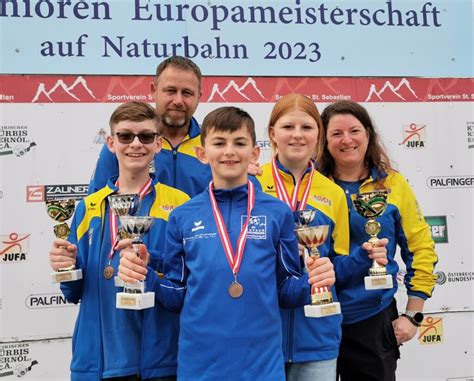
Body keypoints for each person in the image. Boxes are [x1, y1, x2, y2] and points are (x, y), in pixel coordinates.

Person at [118, 106, 324, 381]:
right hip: (199, 367)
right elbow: (175, 295)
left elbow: (287, 291)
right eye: (219, 143)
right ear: (202, 154)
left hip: (261, 367)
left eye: (239, 143)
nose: (229, 151)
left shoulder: (277, 213)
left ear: (254, 153)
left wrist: (313, 278)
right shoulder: (183, 216)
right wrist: (147, 278)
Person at [49, 101, 189, 381]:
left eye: (146, 136)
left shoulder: (180, 205)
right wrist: (67, 265)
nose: (135, 144)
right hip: (96, 360)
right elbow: (74, 291)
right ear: (111, 143)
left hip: (156, 363)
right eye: (126, 136)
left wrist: (151, 270)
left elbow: (183, 290)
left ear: (158, 144)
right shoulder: (88, 207)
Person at [254, 93, 387, 381]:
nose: (297, 135)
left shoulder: (333, 193)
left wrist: (364, 257)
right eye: (288, 127)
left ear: (319, 136)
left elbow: (334, 264)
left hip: (317, 337)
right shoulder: (252, 184)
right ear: (272, 134)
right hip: (259, 336)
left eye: (307, 127)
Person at [319, 100, 437, 381]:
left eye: (354, 131)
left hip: (372, 317)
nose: (346, 140)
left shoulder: (393, 185)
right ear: (323, 140)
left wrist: (413, 315)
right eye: (336, 133)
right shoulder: (312, 186)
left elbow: (420, 247)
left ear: (368, 134)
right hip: (315, 319)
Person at [89, 56, 211, 197]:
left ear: (199, 96)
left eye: (187, 93)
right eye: (170, 91)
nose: (178, 101)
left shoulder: (214, 144)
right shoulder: (124, 142)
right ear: (154, 90)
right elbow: (97, 202)